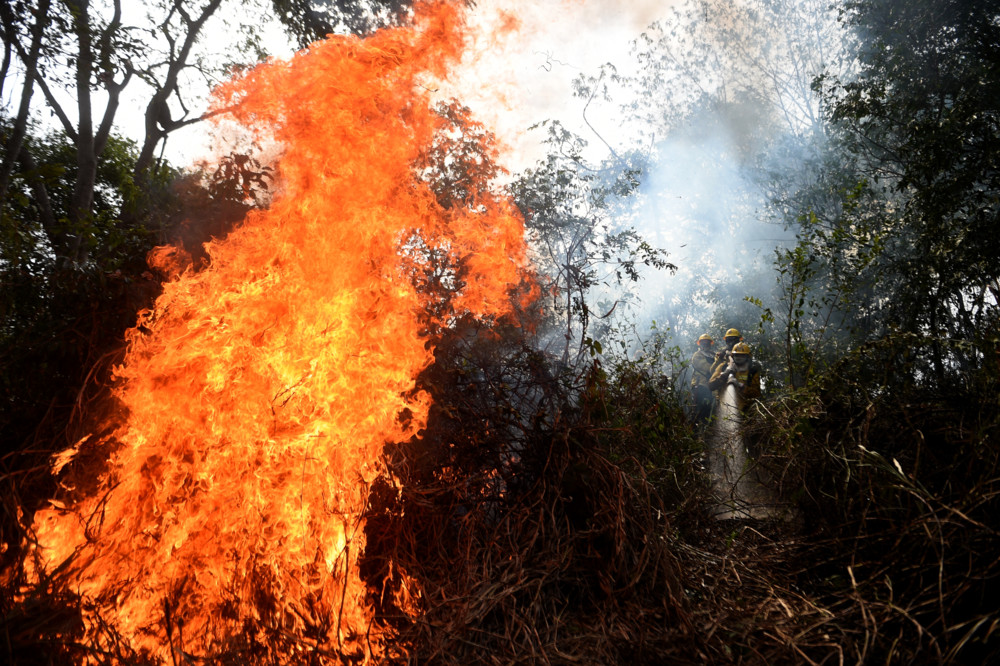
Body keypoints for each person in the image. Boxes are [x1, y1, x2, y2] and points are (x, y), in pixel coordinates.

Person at [709, 341, 761, 407]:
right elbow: (711, 385)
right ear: (732, 356)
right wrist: (725, 374)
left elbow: (756, 393)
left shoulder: (752, 371)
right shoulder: (723, 367)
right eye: (737, 355)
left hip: (745, 409)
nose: (739, 357)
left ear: (748, 357)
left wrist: (740, 385)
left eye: (742, 355)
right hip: (723, 406)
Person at [689, 334, 716, 425]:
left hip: (711, 387)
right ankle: (695, 433)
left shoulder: (714, 355)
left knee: (709, 410)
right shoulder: (697, 355)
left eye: (707, 343)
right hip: (699, 385)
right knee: (698, 410)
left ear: (710, 344)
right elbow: (707, 368)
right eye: (703, 343)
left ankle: (706, 432)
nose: (705, 344)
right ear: (700, 344)